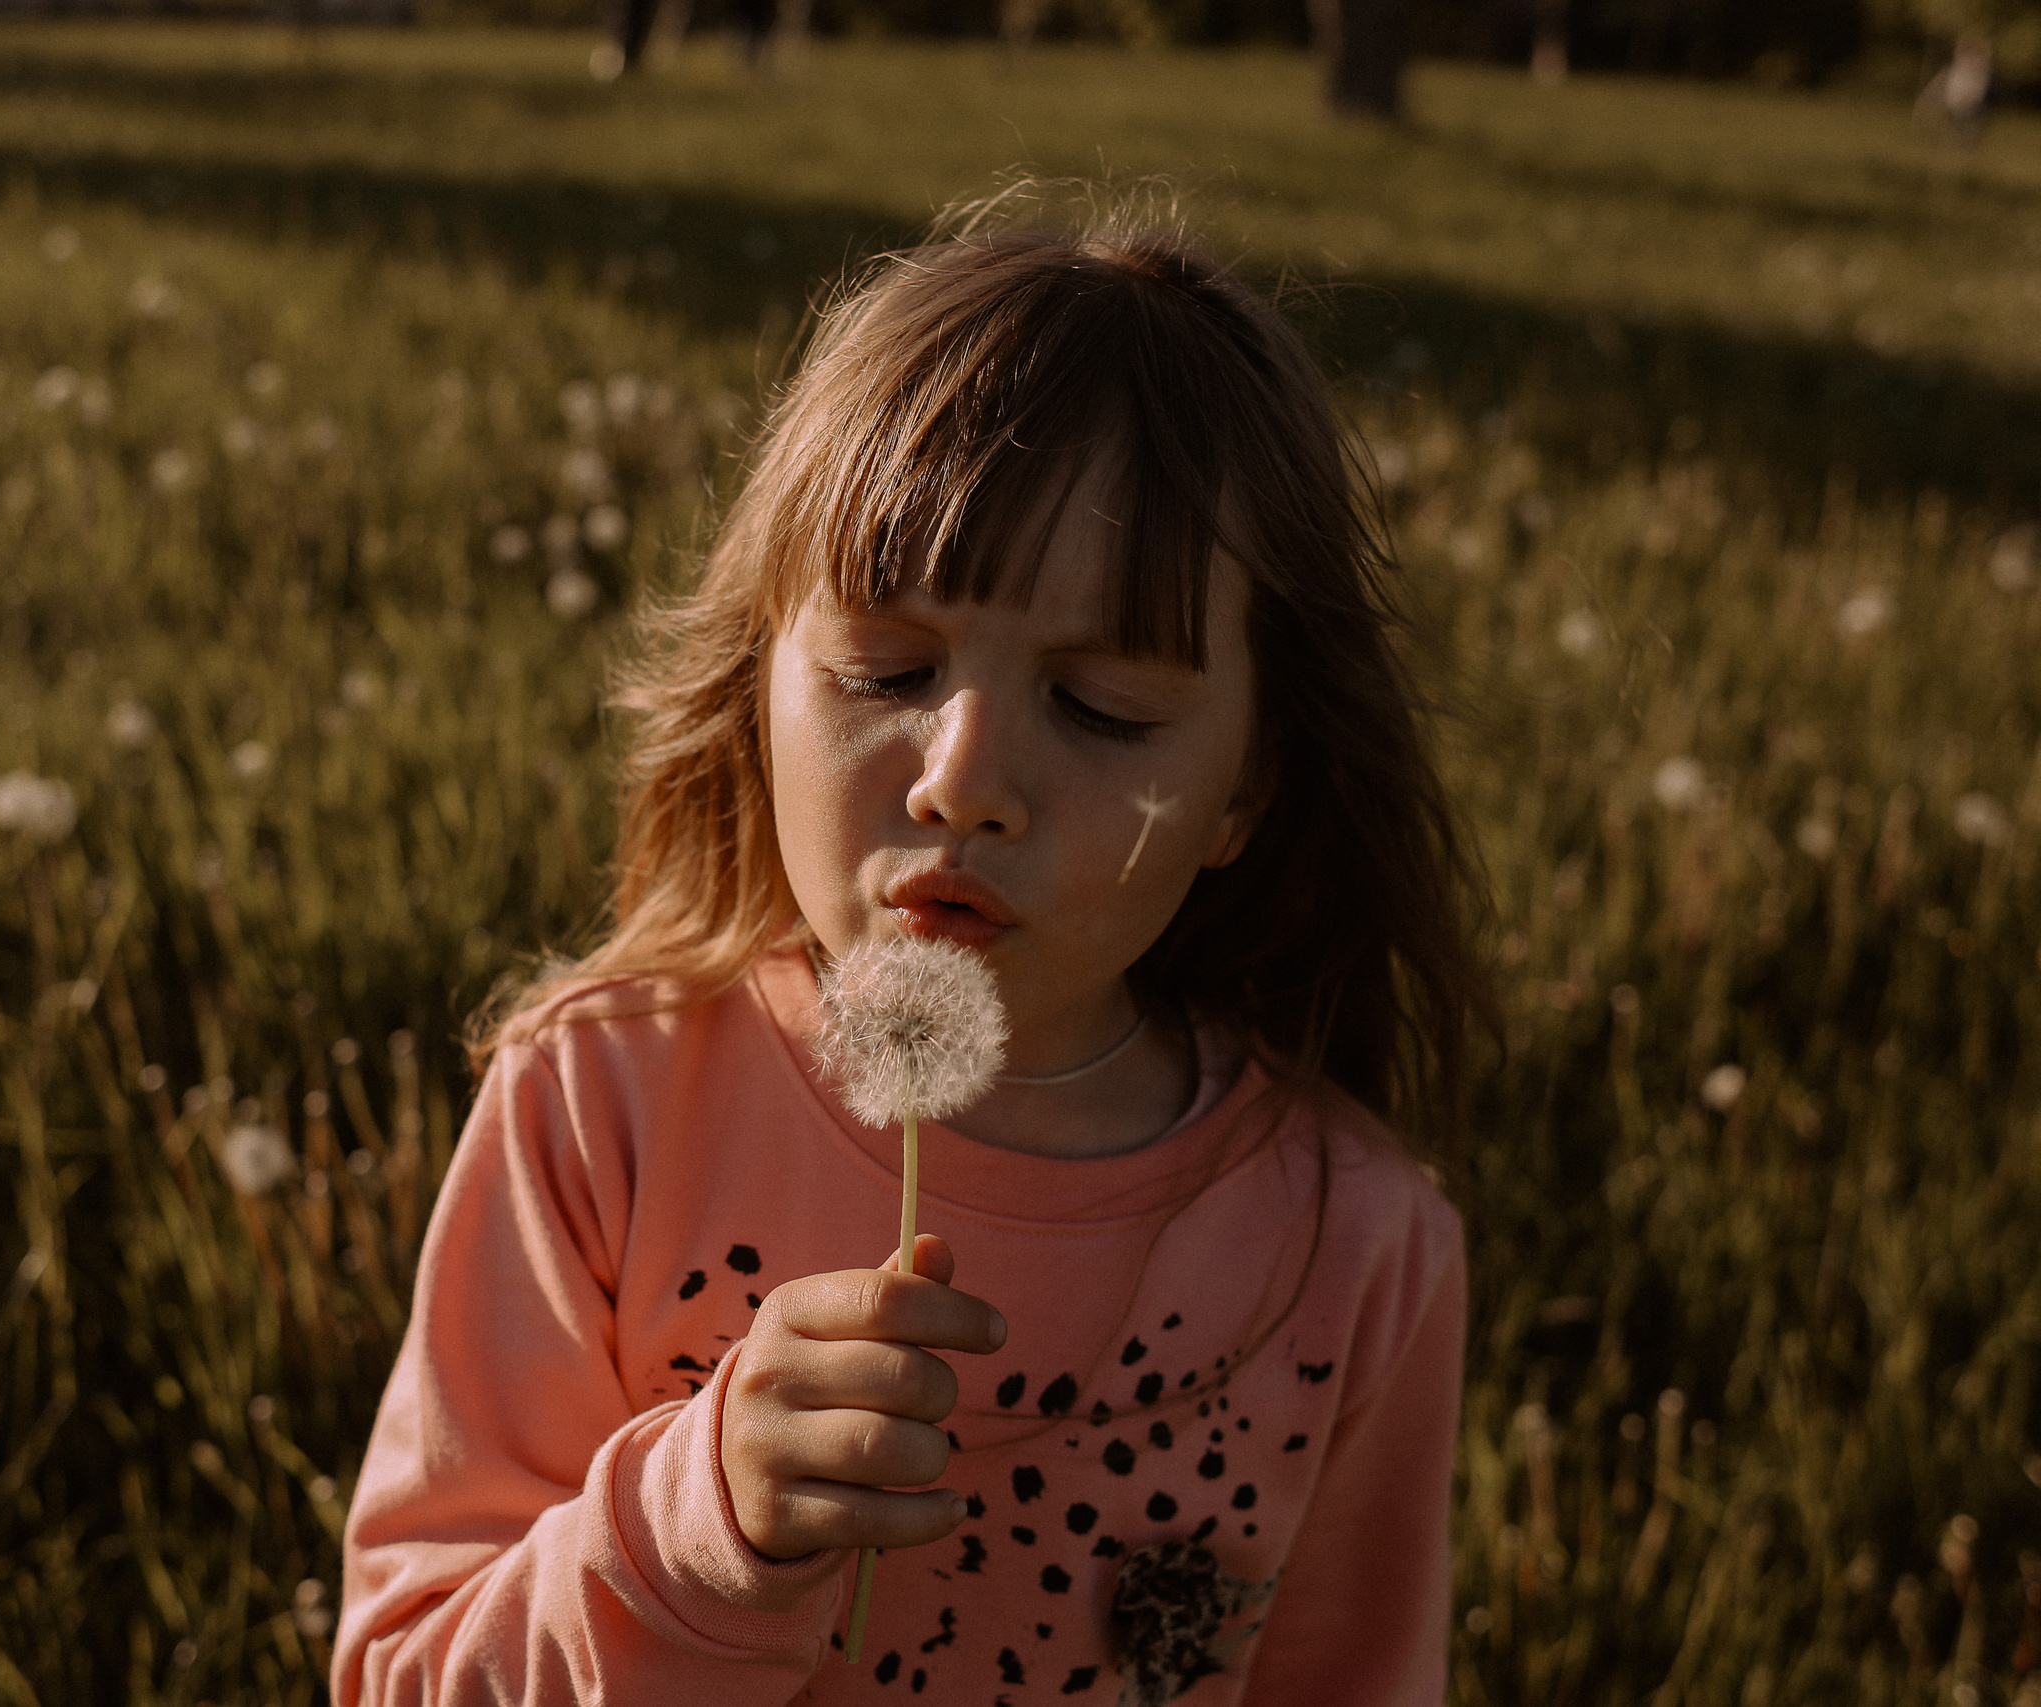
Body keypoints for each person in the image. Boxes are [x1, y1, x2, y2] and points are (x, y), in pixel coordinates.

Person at [334, 193, 1493, 1704]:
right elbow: (406, 1676)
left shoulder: (1360, 1249)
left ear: (1248, 790)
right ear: (763, 676)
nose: (963, 775)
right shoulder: (602, 1103)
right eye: (887, 666)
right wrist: (699, 1532)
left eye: (1103, 710)